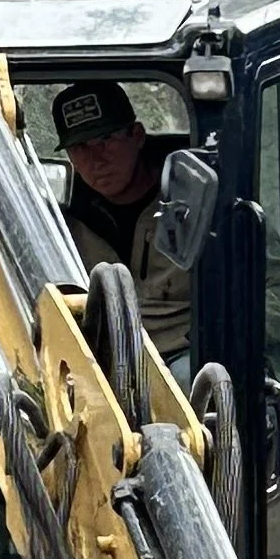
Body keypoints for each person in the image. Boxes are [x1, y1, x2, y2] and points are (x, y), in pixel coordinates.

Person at [50, 77, 193, 367]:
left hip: (188, 356)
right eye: (80, 147)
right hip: (97, 366)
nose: (96, 159)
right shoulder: (63, 226)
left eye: (106, 140)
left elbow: (269, 282)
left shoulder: (197, 204)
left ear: (137, 136)